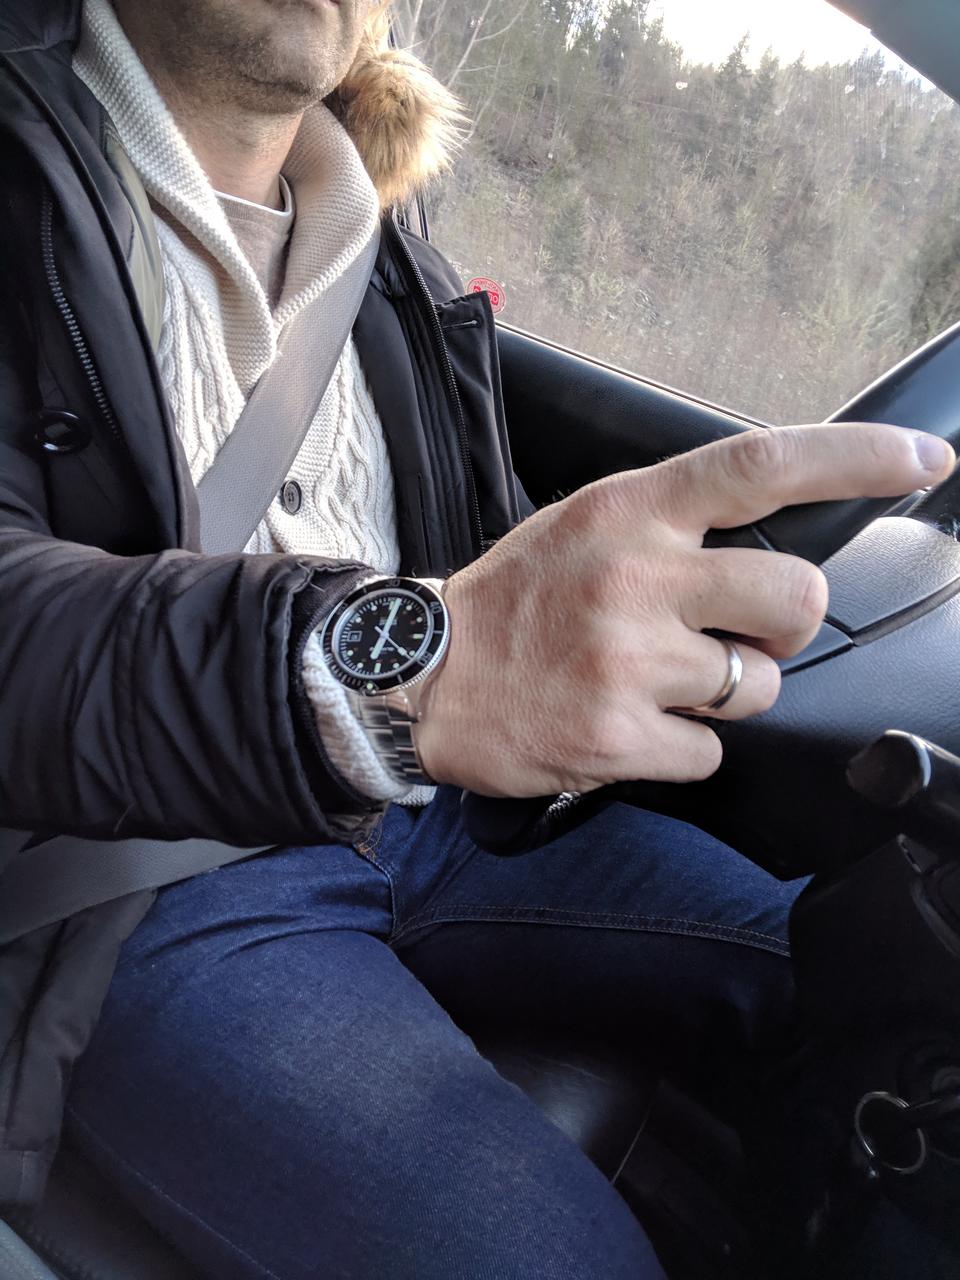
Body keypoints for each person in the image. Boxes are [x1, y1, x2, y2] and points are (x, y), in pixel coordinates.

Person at [0, 0, 953, 1276]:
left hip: (445, 811)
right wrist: (409, 669)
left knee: (886, 1003)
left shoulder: (392, 255)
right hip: (139, 876)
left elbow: (476, 537)